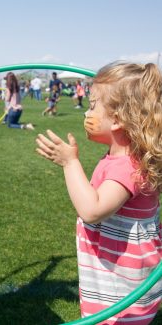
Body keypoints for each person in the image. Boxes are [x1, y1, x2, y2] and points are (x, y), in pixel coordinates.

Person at [36, 61, 162, 324]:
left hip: (120, 284)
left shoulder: (128, 166)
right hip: (114, 270)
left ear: (116, 120)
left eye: (93, 106)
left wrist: (70, 163)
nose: (86, 113)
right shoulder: (123, 160)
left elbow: (92, 210)